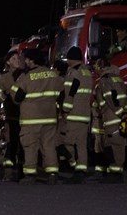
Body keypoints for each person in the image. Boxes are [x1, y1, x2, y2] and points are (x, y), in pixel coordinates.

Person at [12, 48, 64, 185]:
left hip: (31, 120)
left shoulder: (27, 77)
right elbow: (62, 93)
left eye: (27, 59)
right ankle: (52, 173)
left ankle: (30, 174)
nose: (26, 62)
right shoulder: (53, 74)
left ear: (31, 60)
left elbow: (17, 98)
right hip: (50, 117)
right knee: (49, 145)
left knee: (30, 146)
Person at [57, 46, 93, 184]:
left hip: (74, 114)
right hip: (84, 114)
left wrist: (65, 109)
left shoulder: (74, 73)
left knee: (67, 142)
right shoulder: (86, 72)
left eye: (68, 59)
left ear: (71, 59)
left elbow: (71, 93)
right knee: (81, 144)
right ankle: (81, 169)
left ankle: (77, 169)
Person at [94, 56, 127, 183]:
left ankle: (115, 173)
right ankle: (116, 172)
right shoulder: (118, 78)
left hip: (111, 117)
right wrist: (125, 113)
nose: (95, 70)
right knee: (119, 145)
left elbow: (111, 98)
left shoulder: (105, 80)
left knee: (112, 145)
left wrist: (119, 113)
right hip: (120, 117)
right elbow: (125, 98)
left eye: (96, 67)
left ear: (100, 67)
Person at [0, 50, 24, 181]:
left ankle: (23, 172)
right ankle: (9, 172)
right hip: (11, 115)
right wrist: (4, 97)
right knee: (11, 144)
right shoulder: (3, 77)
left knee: (25, 144)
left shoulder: (25, 74)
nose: (17, 61)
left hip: (26, 115)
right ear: (8, 62)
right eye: (14, 59)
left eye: (18, 58)